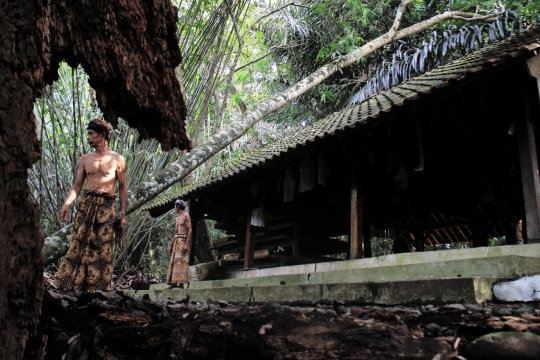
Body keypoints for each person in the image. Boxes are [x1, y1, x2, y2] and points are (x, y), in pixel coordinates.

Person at [55, 119, 127, 292]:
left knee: (102, 247)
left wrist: (123, 212)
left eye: (91, 134)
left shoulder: (118, 159)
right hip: (87, 205)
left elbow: (123, 187)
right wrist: (66, 205)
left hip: (106, 206)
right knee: (79, 243)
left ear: (102, 136)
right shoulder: (85, 159)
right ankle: (71, 284)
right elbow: (77, 186)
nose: (88, 138)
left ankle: (97, 288)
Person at [166, 199, 192, 289]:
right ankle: (173, 283)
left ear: (178, 206)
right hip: (177, 241)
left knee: (181, 262)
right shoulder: (177, 218)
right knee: (174, 262)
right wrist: (171, 245)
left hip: (183, 240)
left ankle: (180, 284)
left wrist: (186, 244)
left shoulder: (186, 216)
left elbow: (190, 230)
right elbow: (176, 233)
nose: (174, 208)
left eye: (175, 206)